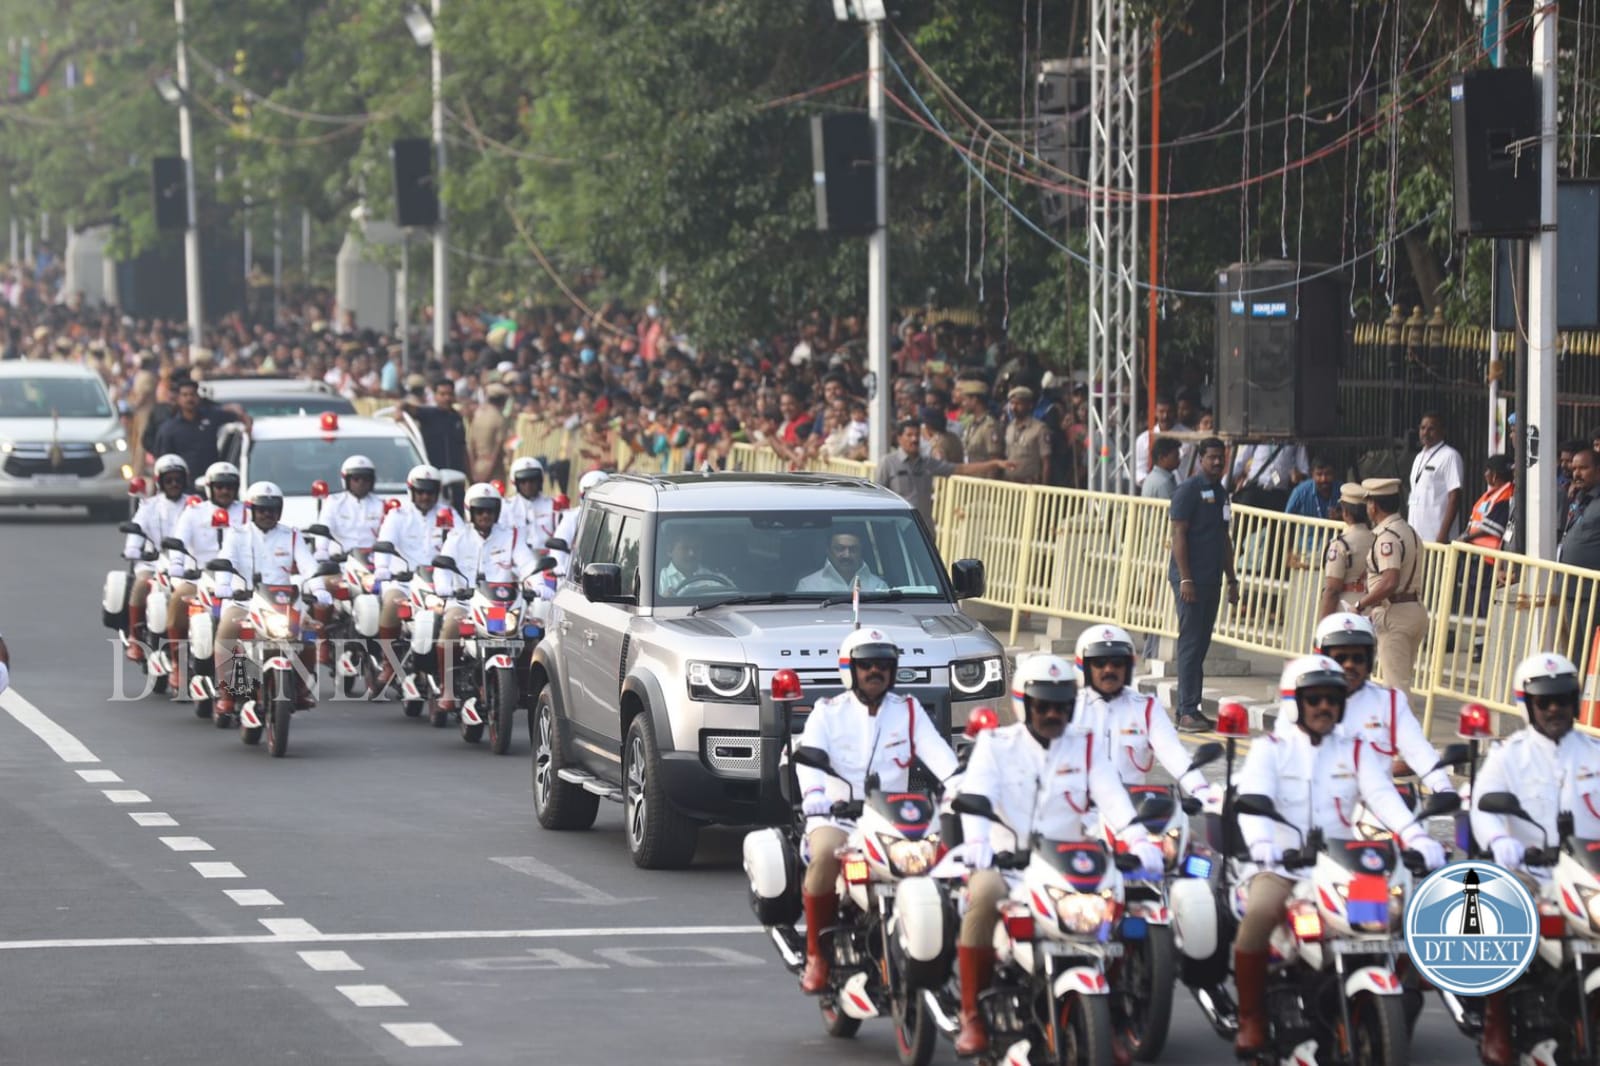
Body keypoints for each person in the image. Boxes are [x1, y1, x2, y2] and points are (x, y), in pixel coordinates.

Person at [1232, 655, 1446, 1056]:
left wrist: (1416, 834)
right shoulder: (1270, 750)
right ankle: (1252, 1018)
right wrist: (1263, 845)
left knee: (1389, 926)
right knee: (1257, 917)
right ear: (1296, 702)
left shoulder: (1356, 750)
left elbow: (1381, 795)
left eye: (1332, 698)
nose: (1325, 706)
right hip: (1282, 867)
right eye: (1315, 698)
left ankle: (1388, 1007)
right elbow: (1253, 798)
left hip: (1342, 868)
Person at [951, 653, 1162, 1056]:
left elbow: (1112, 797)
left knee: (1124, 908)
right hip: (1008, 864)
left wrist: (1138, 839)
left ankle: (1114, 1017)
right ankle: (972, 1015)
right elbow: (976, 795)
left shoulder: (1084, 745)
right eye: (1043, 705)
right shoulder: (997, 745)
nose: (1052, 712)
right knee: (982, 899)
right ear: (1024, 704)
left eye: (1061, 705)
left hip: (1069, 864)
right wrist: (977, 842)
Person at [795, 629, 961, 995]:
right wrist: (815, 796)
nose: (875, 671)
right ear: (849, 669)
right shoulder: (828, 712)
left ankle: (937, 956)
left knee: (948, 871)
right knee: (823, 855)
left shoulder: (909, 711)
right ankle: (817, 956)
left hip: (895, 822)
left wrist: (957, 791)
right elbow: (809, 761)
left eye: (883, 664)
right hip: (838, 818)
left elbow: (943, 762)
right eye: (866, 664)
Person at [1469, 652, 1600, 1066]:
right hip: (1531, 872)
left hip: (1589, 876)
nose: (1555, 708)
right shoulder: (1509, 754)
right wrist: (1500, 840)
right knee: (1507, 921)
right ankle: (1496, 1025)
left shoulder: (1594, 751)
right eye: (1545, 701)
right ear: (1528, 705)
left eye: (1563, 699)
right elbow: (1483, 807)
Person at [211, 481, 327, 715]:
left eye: (272, 509)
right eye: (262, 509)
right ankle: (227, 695)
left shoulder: (292, 535)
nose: (267, 514)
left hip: (283, 604)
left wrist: (319, 587)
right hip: (245, 601)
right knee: (226, 631)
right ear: (251, 510)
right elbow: (226, 562)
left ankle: (302, 688)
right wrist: (224, 585)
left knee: (308, 631)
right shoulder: (237, 534)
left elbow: (308, 566)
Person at [1312, 612, 1456, 793]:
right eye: (1340, 658)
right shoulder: (1303, 702)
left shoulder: (1389, 702)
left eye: (1358, 658)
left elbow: (1418, 751)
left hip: (1375, 809)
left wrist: (1443, 789)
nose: (1349, 665)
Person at [1074, 624, 1220, 804]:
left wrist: (1202, 792)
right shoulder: (1068, 709)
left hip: (1135, 813)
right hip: (1080, 815)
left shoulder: (1146, 708)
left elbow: (1172, 752)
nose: (1109, 670)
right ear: (1084, 667)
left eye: (1117, 663)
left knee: (1189, 833)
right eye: (1099, 663)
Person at [433, 483, 544, 713]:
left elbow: (526, 563)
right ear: (470, 512)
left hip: (500, 608)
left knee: (532, 636)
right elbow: (442, 567)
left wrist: (537, 581)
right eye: (480, 510)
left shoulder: (510, 536)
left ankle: (530, 691)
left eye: (490, 510)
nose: (485, 515)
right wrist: (444, 587)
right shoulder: (456, 536)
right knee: (450, 628)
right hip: (465, 603)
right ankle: (448, 690)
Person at [1167, 437, 1240, 732]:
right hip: (1191, 580)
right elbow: (1178, 537)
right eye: (1212, 457)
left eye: (1221, 458)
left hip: (1212, 579)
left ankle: (1192, 708)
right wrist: (1186, 577)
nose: (1218, 463)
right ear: (1200, 459)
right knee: (1190, 644)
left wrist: (1232, 578)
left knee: (1201, 645)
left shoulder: (1222, 493)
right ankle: (1185, 710)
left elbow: (1224, 539)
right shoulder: (1188, 491)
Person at [370, 464, 456, 694]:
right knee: (390, 605)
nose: (425, 496)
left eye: (430, 491)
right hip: (404, 582)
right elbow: (384, 544)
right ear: (412, 491)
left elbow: (462, 545)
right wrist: (382, 568)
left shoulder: (449, 514)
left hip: (440, 584)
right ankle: (389, 664)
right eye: (421, 491)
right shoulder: (397, 515)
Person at [164, 461, 247, 675]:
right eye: (220, 486)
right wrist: (177, 564)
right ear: (210, 487)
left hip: (240, 580)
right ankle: (178, 665)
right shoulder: (194, 512)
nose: (225, 491)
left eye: (229, 486)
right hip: (200, 576)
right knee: (178, 599)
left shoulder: (248, 513)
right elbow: (178, 542)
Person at [1353, 478, 1427, 694]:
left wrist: (1360, 604)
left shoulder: (1387, 537)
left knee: (1396, 690)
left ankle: (1402, 728)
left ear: (1373, 506)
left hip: (1395, 614)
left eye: (1368, 503)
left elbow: (1390, 580)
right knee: (1401, 684)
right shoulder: (1409, 531)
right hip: (1414, 609)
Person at [123, 453, 193, 663]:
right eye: (168, 480)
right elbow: (136, 531)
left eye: (177, 479)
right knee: (142, 583)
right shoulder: (148, 506)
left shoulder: (195, 505)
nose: (173, 484)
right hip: (154, 561)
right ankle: (135, 638)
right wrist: (133, 550)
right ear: (159, 481)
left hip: (188, 564)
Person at [874, 419, 1010, 525]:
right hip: (895, 527)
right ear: (899, 439)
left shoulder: (928, 463)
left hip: (923, 529)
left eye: (916, 435)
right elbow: (876, 497)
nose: (914, 439)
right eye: (909, 435)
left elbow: (960, 469)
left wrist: (994, 463)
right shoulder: (888, 463)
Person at [1457, 455, 1514, 658]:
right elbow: (1475, 521)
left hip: (1489, 562)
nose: (1484, 475)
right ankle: (1479, 648)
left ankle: (1488, 649)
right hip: (1476, 559)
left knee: (1484, 605)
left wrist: (1465, 537)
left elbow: (1493, 528)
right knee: (1474, 606)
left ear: (1495, 474)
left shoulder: (1506, 496)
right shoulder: (1491, 495)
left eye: (1487, 471)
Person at [151, 378, 240, 486]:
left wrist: (245, 419)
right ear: (178, 398)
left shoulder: (212, 418)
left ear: (198, 397)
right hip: (182, 488)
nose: (189, 398)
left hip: (212, 485)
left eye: (192, 394)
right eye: (185, 395)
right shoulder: (168, 429)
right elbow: (162, 462)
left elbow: (235, 416)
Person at [1319, 483, 1374, 620]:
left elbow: (1332, 590)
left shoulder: (1340, 544)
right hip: (1372, 610)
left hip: (1346, 611)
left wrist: (1323, 625)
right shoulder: (1377, 540)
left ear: (1346, 513)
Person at [1408, 411, 1465, 544]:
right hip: (1416, 536)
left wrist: (1443, 534)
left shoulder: (1450, 456)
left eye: (1431, 428)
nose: (1425, 432)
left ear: (1443, 431)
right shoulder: (1419, 457)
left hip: (1436, 537)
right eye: (1422, 428)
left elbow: (1455, 497)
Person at [399, 377, 468, 484]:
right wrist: (399, 412)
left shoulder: (457, 418)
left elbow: (463, 448)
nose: (447, 398)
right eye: (442, 394)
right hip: (433, 475)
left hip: (456, 476)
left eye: (450, 394)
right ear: (435, 396)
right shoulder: (428, 414)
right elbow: (405, 407)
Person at [316, 454, 384, 558]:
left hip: (372, 561)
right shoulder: (333, 502)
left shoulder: (381, 504)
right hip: (340, 560)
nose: (361, 483)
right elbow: (325, 528)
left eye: (366, 479)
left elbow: (388, 537)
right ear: (346, 480)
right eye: (356, 479)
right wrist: (322, 551)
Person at [549, 470, 609, 580]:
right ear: (582, 495)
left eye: (602, 494)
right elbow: (559, 545)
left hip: (607, 576)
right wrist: (560, 567)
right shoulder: (572, 517)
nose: (597, 499)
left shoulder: (613, 518)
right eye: (591, 493)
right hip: (575, 577)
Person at [795, 530, 889, 593]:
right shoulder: (808, 586)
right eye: (840, 548)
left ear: (861, 551)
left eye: (853, 549)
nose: (846, 555)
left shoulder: (878, 586)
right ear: (828, 551)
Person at [1230, 441, 1308, 512]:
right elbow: (1240, 461)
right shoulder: (1258, 432)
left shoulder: (1295, 437)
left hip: (1278, 495)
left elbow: (1304, 470)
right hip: (1254, 490)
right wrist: (1225, 483)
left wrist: (1297, 475)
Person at [502, 457, 560, 553]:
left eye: (532, 480)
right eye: (523, 481)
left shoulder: (553, 505)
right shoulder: (506, 507)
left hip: (547, 560)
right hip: (515, 562)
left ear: (540, 481)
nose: (528, 485)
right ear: (515, 483)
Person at [1133, 396, 1188, 490]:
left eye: (1169, 412)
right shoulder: (1143, 439)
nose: (1165, 416)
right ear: (1155, 412)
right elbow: (1139, 472)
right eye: (1161, 412)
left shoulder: (1188, 437)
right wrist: (1156, 485)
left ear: (1175, 412)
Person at [656, 529, 731, 596]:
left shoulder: (718, 580)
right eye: (685, 548)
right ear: (669, 551)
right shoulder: (657, 581)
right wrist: (665, 599)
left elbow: (736, 602)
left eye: (696, 548)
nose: (692, 553)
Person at [1002, 386, 1050, 484]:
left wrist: (1044, 488)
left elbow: (1046, 462)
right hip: (1009, 484)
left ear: (1029, 405)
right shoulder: (1010, 427)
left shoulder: (1039, 428)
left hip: (1029, 485)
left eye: (1018, 404)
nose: (1014, 407)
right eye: (1012, 403)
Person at [468, 382, 509, 483]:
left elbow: (471, 445)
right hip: (493, 468)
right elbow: (498, 450)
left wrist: (473, 471)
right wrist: (488, 474)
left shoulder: (478, 416)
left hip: (478, 465)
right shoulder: (499, 419)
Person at [957, 380, 1004, 463]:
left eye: (965, 400)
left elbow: (994, 460)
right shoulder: (971, 424)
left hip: (981, 475)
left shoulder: (989, 426)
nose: (963, 404)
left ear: (974, 400)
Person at [1284, 453, 1338, 521]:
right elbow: (1285, 519)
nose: (1323, 479)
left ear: (1334, 474)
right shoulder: (1300, 492)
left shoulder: (1342, 491)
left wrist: (1340, 516)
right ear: (1312, 475)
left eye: (1328, 474)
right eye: (1319, 474)